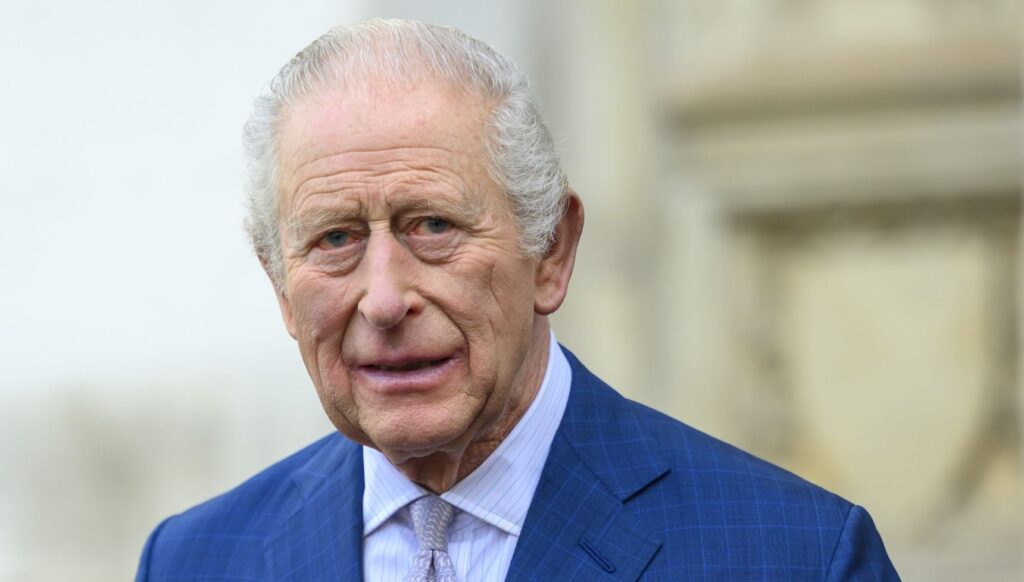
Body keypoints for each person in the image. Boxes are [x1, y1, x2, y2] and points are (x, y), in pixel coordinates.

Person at [136, 19, 898, 581]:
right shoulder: (195, 560)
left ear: (551, 254)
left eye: (431, 225)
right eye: (335, 239)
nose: (383, 299)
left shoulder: (793, 558)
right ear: (279, 286)